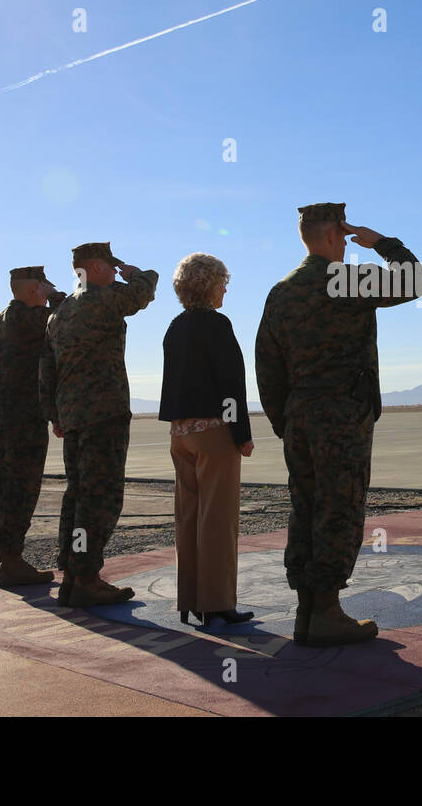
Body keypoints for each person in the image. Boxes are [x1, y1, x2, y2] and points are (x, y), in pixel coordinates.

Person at [255, 203, 422, 646]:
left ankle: (307, 611)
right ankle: (327, 611)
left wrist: (284, 420)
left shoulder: (281, 291)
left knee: (306, 507)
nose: (349, 244)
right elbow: (415, 280)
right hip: (342, 416)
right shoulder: (343, 279)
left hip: (300, 418)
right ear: (334, 236)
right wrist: (381, 242)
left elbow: (267, 365)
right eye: (345, 237)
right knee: (340, 508)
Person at [40, 242, 158, 608]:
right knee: (101, 498)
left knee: (77, 496)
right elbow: (144, 292)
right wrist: (135, 272)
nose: (114, 270)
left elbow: (47, 371)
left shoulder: (59, 313)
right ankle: (87, 577)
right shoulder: (101, 299)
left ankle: (73, 574)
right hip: (103, 415)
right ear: (94, 266)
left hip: (74, 416)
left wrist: (55, 414)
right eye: (110, 264)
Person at [158, 253, 255, 627]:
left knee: (188, 516)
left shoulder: (175, 327)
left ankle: (189, 600)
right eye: (222, 282)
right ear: (209, 286)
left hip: (180, 434)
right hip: (214, 434)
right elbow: (231, 384)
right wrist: (241, 434)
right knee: (218, 520)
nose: (225, 289)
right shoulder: (217, 325)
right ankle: (215, 603)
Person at [0, 266, 66, 587]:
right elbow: (67, 315)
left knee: (2, 484)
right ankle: (11, 560)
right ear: (33, 291)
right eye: (42, 287)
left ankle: (5, 557)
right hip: (25, 418)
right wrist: (53, 294)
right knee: (22, 487)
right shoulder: (32, 320)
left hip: (1, 418)